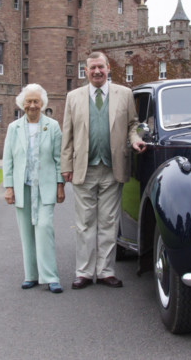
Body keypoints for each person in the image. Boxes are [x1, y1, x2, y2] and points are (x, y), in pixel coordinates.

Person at [61, 52, 146, 289]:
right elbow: (67, 134)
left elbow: (132, 125)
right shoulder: (73, 97)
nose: (97, 71)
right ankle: (85, 272)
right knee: (85, 223)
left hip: (112, 167)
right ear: (86, 71)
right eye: (92, 68)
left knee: (109, 222)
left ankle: (106, 271)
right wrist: (65, 166)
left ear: (108, 68)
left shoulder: (124, 94)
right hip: (83, 169)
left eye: (101, 67)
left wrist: (136, 139)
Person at [3, 83, 65, 293]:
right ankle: (31, 275)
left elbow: (59, 159)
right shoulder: (14, 128)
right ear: (22, 104)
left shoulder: (53, 126)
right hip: (23, 187)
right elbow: (8, 160)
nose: (32, 105)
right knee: (26, 231)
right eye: (28, 101)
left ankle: (50, 276)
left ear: (42, 104)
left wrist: (60, 185)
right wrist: (9, 187)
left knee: (44, 228)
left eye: (36, 101)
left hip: (45, 186)